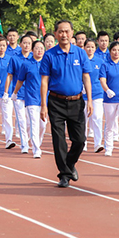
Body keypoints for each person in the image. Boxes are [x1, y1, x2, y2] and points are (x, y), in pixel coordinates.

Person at [40, 20, 93, 188]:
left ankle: (69, 165)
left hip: (77, 101)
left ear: (72, 33)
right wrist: (43, 106)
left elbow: (86, 77)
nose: (64, 34)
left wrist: (90, 100)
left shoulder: (80, 53)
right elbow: (44, 81)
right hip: (56, 102)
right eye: (60, 32)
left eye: (67, 31)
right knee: (59, 139)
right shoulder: (49, 55)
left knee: (79, 140)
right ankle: (64, 174)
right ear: (55, 34)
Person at [13, 39, 47, 158]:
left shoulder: (47, 63)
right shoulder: (26, 64)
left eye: (41, 49)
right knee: (34, 123)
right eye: (37, 48)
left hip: (45, 99)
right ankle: (36, 149)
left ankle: (37, 142)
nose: (39, 51)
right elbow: (20, 80)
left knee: (43, 125)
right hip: (31, 98)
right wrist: (15, 92)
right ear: (32, 50)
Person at [7, 34, 33, 153]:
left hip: (32, 94)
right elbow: (10, 75)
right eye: (24, 43)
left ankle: (32, 140)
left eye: (29, 43)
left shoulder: (35, 58)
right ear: (20, 44)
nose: (26, 45)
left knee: (30, 120)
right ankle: (25, 145)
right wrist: (7, 92)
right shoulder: (15, 58)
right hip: (18, 94)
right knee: (21, 120)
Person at [82, 39, 105, 152]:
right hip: (83, 94)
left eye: (92, 47)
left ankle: (98, 143)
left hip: (97, 93)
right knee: (83, 119)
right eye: (88, 47)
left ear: (95, 49)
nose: (90, 49)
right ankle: (83, 143)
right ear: (84, 48)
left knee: (97, 117)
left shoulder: (100, 62)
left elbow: (103, 77)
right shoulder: (81, 60)